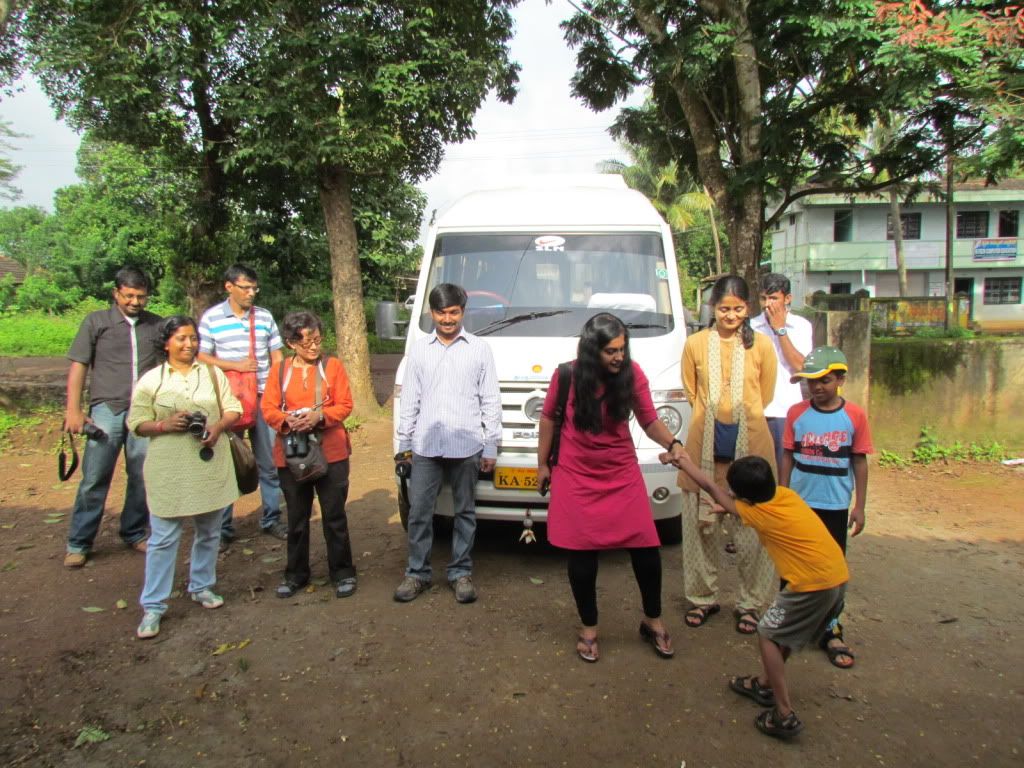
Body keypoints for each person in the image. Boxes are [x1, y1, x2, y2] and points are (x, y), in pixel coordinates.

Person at [666, 452, 848, 739]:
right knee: (781, 633)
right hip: (836, 577)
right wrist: (730, 506)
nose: (729, 493)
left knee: (767, 634)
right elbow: (733, 501)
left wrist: (684, 463)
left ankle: (784, 714)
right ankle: (764, 684)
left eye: (734, 491)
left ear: (745, 498)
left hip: (811, 586)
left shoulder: (756, 513)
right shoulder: (785, 496)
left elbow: (712, 488)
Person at [537, 313, 685, 663]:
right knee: (582, 554)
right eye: (610, 351)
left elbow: (649, 419)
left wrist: (674, 443)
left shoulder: (632, 375)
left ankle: (653, 620)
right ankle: (589, 628)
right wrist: (543, 464)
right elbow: (548, 418)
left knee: (647, 548)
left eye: (622, 348)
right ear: (592, 351)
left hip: (620, 471)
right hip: (575, 472)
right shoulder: (567, 375)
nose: (619, 356)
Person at [127, 316, 242, 639]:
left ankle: (202, 586)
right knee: (163, 538)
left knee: (209, 531)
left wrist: (217, 427)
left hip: (207, 463)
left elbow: (233, 409)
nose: (189, 344)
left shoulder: (212, 374)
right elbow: (136, 422)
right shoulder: (152, 381)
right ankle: (153, 605)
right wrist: (164, 425)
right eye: (181, 338)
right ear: (166, 343)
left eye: (193, 338)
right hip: (168, 468)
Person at [678, 275, 778, 634]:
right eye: (723, 308)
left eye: (737, 309)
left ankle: (751, 603)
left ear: (747, 309)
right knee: (699, 529)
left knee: (752, 530)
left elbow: (763, 396)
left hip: (751, 449)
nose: (730, 315)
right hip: (703, 448)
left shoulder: (762, 346)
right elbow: (693, 393)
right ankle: (702, 598)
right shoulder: (694, 344)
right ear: (712, 308)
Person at [393, 283, 501, 604]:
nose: (447, 318)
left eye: (453, 312)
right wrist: (404, 444)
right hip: (425, 446)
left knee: (465, 511)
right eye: (441, 312)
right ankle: (417, 574)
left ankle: (460, 572)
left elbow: (490, 400)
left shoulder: (480, 349)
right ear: (431, 312)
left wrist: (491, 445)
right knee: (419, 513)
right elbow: (410, 398)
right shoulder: (420, 350)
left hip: (467, 446)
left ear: (462, 312)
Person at [63, 266, 163, 568]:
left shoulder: (155, 325)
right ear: (116, 293)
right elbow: (79, 365)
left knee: (142, 474)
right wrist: (73, 410)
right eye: (129, 295)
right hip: (106, 408)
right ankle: (79, 542)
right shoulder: (96, 322)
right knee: (95, 476)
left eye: (141, 296)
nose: (135, 302)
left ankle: (133, 531)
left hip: (144, 410)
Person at [782, 346, 873, 669]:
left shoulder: (855, 416)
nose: (817, 387)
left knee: (832, 570)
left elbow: (859, 461)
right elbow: (788, 455)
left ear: (840, 379)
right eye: (810, 381)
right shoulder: (796, 414)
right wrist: (782, 494)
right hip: (800, 503)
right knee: (792, 564)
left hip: (834, 505)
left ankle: (831, 628)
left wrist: (859, 506)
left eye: (824, 380)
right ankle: (788, 622)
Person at [261, 312, 357, 600]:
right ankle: (295, 575)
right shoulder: (279, 371)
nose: (314, 347)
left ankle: (343, 572)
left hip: (332, 451)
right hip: (292, 453)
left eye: (317, 340)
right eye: (307, 342)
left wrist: (319, 416)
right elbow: (268, 409)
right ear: (291, 343)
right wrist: (288, 421)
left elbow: (345, 404)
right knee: (297, 517)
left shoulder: (333, 366)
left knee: (334, 515)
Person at [197, 264, 285, 545]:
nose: (251, 293)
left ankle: (271, 517)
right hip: (227, 402)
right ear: (229, 287)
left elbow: (277, 356)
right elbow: (201, 357)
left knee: (269, 462)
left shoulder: (264, 317)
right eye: (245, 288)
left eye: (254, 288)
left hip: (262, 399)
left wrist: (278, 390)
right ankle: (223, 528)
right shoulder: (211, 319)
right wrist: (234, 365)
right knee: (226, 462)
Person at [749, 273, 814, 468]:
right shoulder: (751, 327)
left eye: (773, 298)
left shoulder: (801, 326)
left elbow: (801, 366)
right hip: (756, 410)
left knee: (783, 470)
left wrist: (780, 330)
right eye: (763, 298)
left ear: (787, 299)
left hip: (784, 411)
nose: (767, 304)